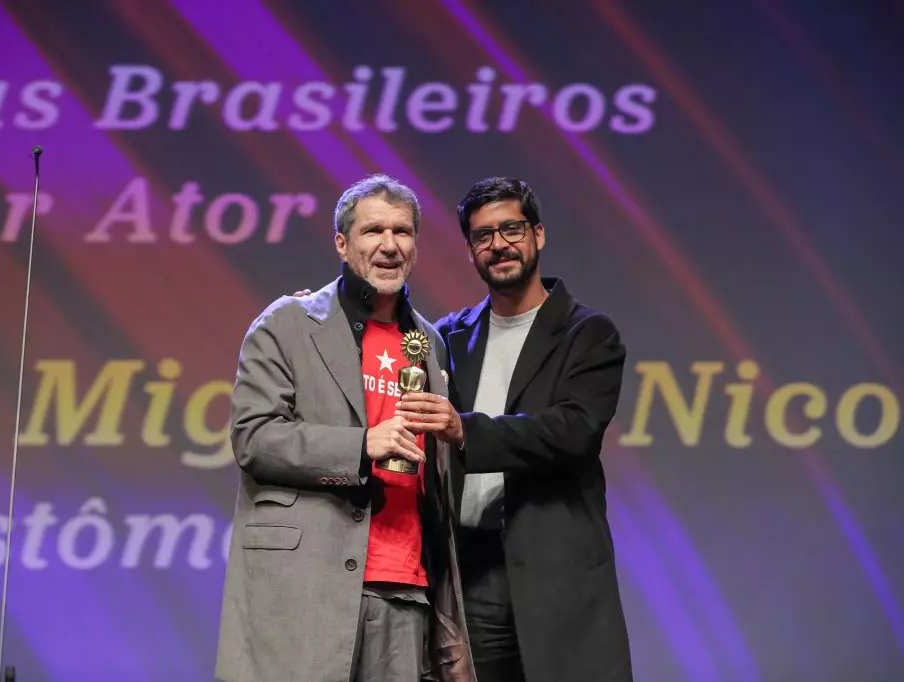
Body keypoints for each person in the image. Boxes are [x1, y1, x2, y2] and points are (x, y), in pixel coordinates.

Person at [215, 174, 474, 682]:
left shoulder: (429, 343)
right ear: (342, 242)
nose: (389, 245)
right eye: (372, 230)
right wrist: (360, 446)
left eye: (402, 232)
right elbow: (254, 437)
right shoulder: (287, 323)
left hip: (405, 588)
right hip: (306, 584)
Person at [394, 177, 634, 682]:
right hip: (470, 572)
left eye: (511, 229)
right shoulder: (448, 337)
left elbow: (574, 430)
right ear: (470, 252)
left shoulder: (588, 334)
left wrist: (466, 432)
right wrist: (323, 313)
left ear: (538, 235)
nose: (499, 244)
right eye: (483, 236)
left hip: (555, 569)